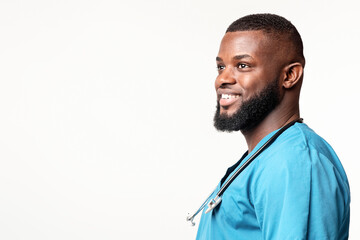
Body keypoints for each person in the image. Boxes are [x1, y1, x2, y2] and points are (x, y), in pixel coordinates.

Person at [195, 13, 350, 240]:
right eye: (221, 67)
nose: (222, 79)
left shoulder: (293, 161)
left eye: (243, 65)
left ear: (289, 75)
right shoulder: (267, 156)